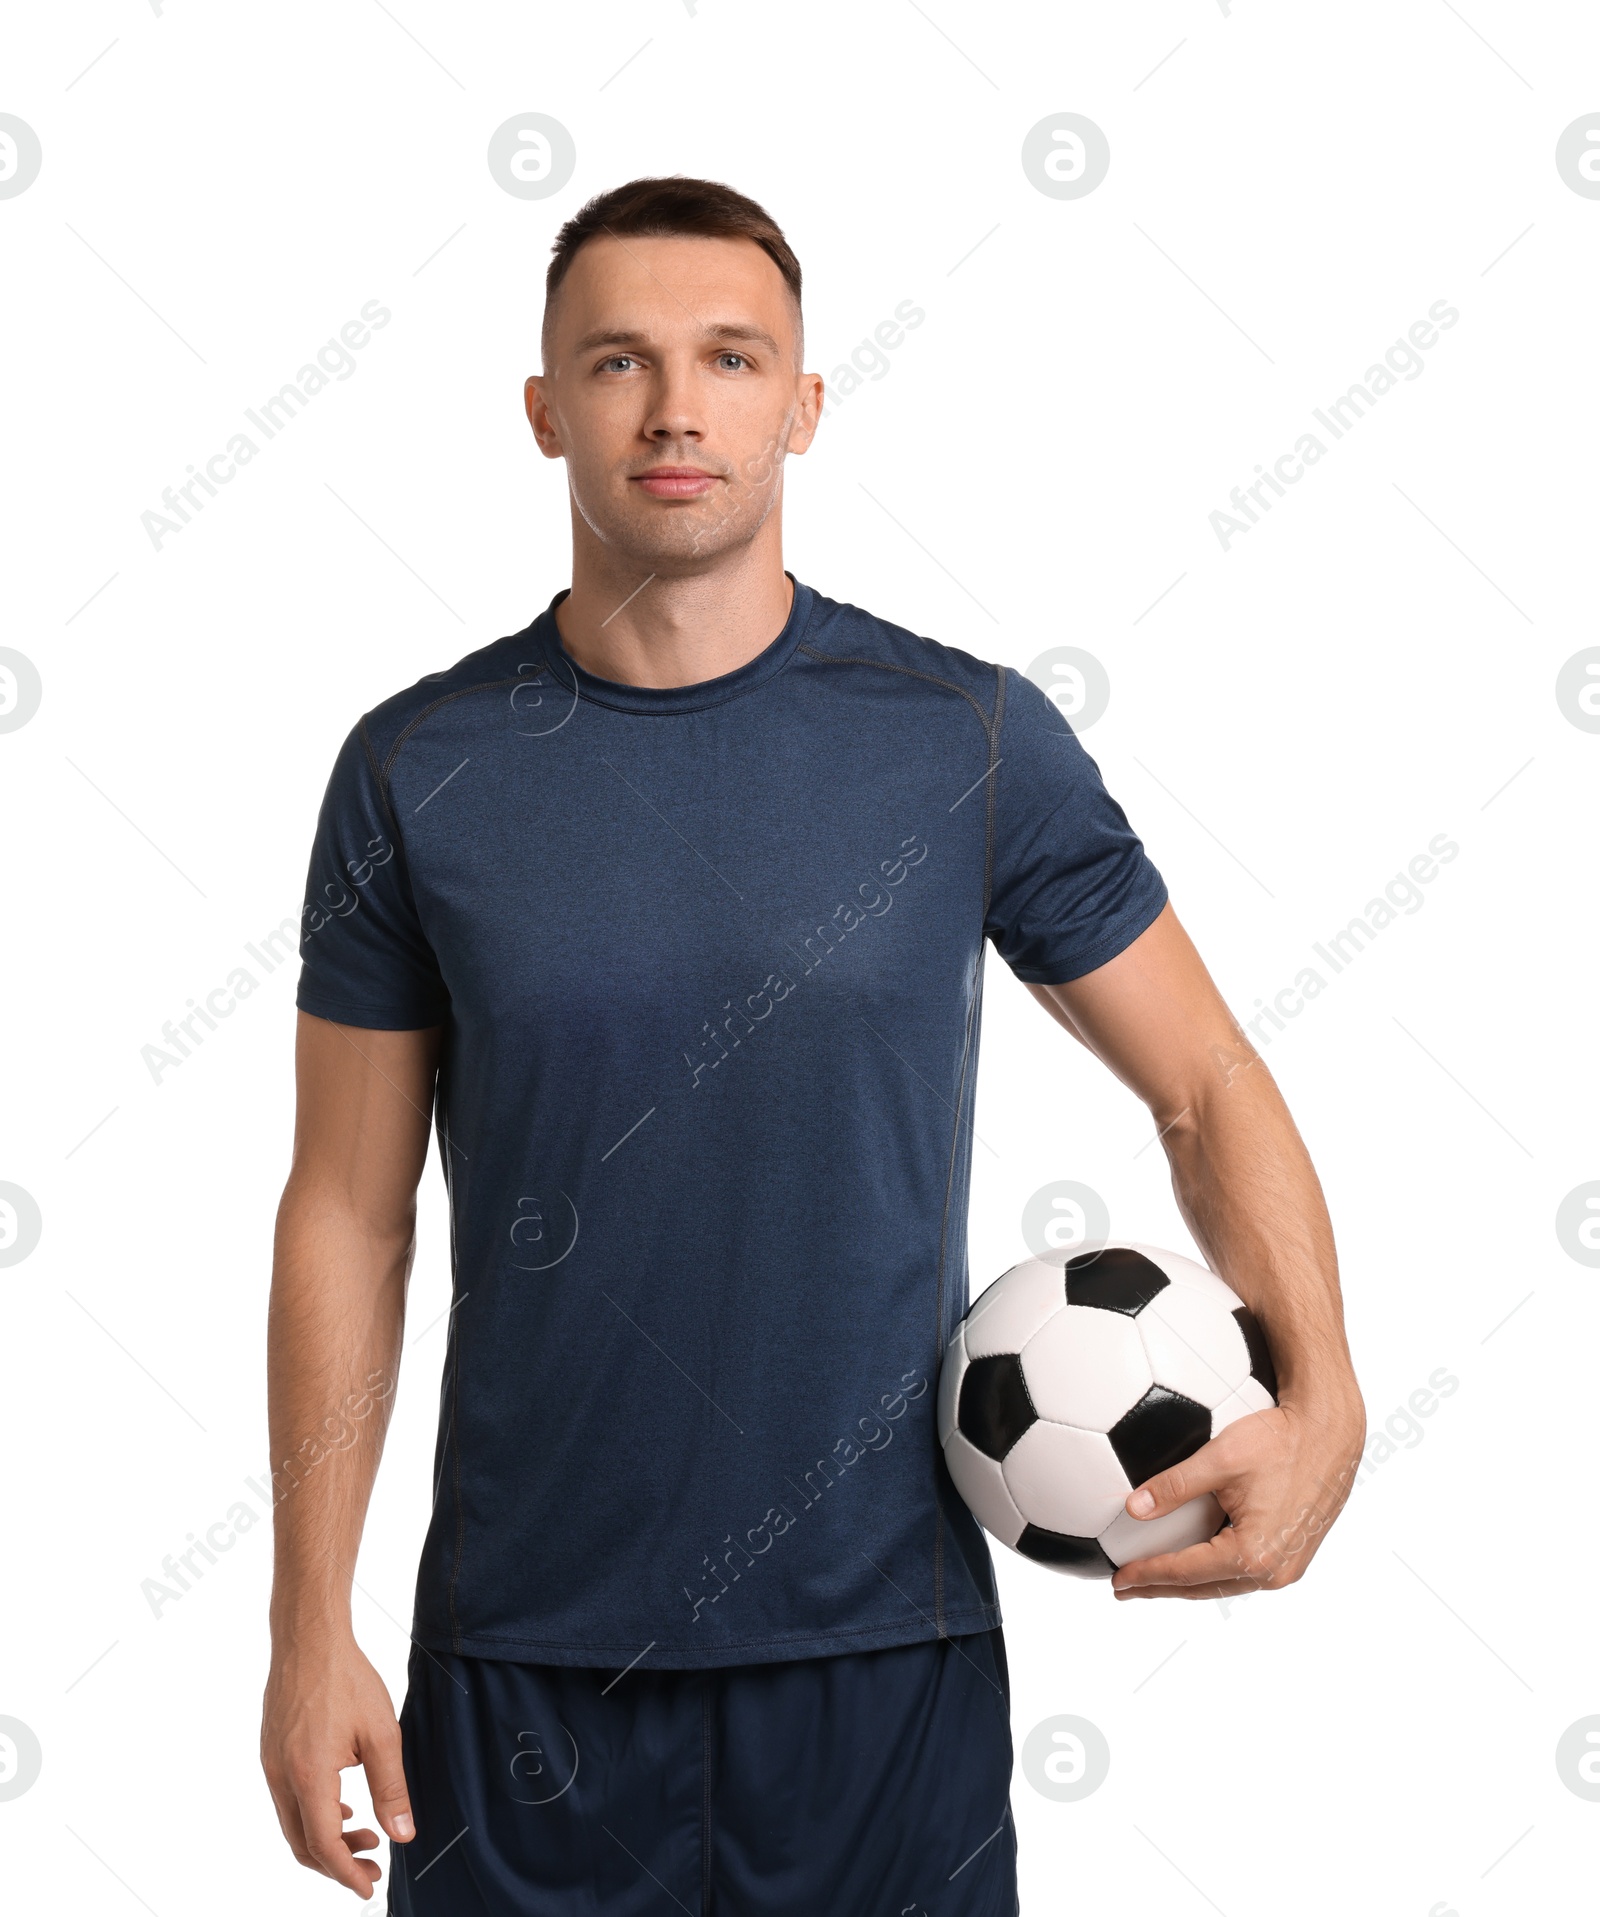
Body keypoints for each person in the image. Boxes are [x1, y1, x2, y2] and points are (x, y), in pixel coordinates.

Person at [259, 176, 1365, 1914]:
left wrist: (1330, 1396)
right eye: (618, 361)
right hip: (522, 1668)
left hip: (886, 1663)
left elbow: (1205, 1080)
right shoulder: (415, 769)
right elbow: (347, 1207)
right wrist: (306, 1625)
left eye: (731, 357)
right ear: (544, 410)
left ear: (805, 402)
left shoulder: (967, 738)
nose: (678, 405)